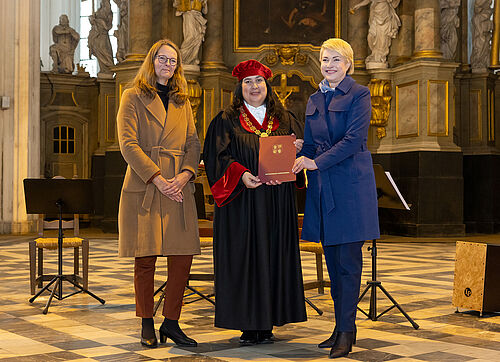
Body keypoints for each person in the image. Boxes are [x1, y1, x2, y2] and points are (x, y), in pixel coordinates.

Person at [203, 60, 307, 345]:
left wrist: (297, 149)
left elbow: (299, 156)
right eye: (248, 82)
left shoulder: (284, 118)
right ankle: (248, 324)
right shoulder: (227, 119)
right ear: (240, 87)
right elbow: (216, 157)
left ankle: (270, 320)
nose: (253, 87)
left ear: (267, 85)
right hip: (242, 203)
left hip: (276, 203)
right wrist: (241, 174)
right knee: (244, 257)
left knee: (274, 255)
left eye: (258, 82)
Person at [292, 38, 380, 359]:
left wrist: (316, 161)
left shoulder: (359, 94)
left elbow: (354, 139)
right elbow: (315, 145)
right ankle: (340, 327)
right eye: (325, 59)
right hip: (322, 187)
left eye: (336, 60)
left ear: (348, 64)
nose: (329, 65)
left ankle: (347, 331)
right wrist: (303, 149)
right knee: (332, 262)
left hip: (350, 187)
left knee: (348, 264)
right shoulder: (314, 98)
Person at [117, 39, 201, 349]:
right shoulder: (132, 96)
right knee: (146, 259)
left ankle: (172, 322)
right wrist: (156, 177)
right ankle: (146, 323)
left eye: (173, 61)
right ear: (152, 61)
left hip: (178, 187)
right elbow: (128, 144)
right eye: (162, 59)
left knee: (182, 257)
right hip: (145, 186)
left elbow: (193, 142)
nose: (167, 65)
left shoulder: (182, 100)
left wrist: (184, 174)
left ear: (178, 67)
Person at [173, 0, 208, 65]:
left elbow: (205, 11)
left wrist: (204, 3)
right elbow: (175, 4)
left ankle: (192, 58)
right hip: (189, 15)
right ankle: (182, 57)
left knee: (197, 38)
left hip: (198, 17)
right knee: (191, 36)